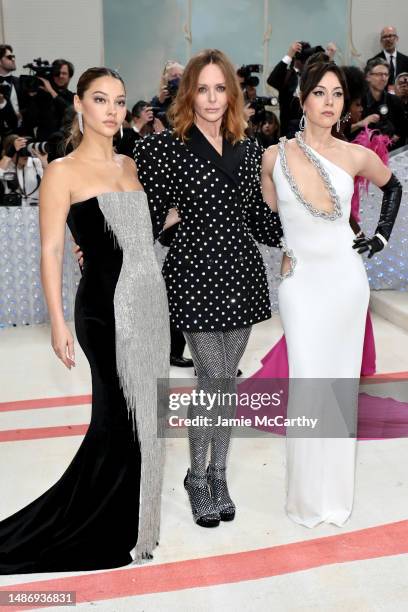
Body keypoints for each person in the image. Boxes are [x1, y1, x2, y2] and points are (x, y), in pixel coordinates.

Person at [0, 67, 170, 573]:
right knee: (119, 420)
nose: (112, 110)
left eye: (119, 101)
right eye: (100, 100)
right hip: (104, 309)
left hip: (149, 307)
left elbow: (140, 238)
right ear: (79, 104)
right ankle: (99, 527)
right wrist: (56, 320)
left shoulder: (131, 164)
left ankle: (133, 523)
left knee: (146, 421)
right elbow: (51, 249)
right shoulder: (62, 171)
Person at [135, 48, 282, 528]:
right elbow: (148, 215)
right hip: (195, 274)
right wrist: (167, 223)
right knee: (213, 380)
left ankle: (217, 474)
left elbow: (260, 219)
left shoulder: (248, 149)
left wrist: (309, 233)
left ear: (232, 94)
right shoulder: (164, 147)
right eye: (203, 88)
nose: (213, 98)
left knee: (225, 382)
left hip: (240, 271)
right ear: (188, 93)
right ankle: (197, 478)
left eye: (221, 88)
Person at [261, 54, 401, 527]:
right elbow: (264, 216)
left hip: (345, 280)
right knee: (307, 384)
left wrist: (378, 237)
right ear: (302, 98)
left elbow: (394, 187)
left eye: (337, 93)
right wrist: (283, 244)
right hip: (300, 285)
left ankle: (334, 498)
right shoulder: (274, 156)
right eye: (319, 92)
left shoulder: (356, 154)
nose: (329, 102)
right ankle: (304, 498)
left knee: (339, 388)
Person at [23, 59, 75, 140]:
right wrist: (32, 97)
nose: (60, 76)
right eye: (57, 73)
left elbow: (69, 112)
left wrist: (51, 91)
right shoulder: (41, 96)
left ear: (69, 77)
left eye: (64, 73)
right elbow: (29, 122)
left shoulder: (72, 97)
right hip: (43, 145)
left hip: (64, 143)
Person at [362, 58, 407, 148]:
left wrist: (395, 136)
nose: (383, 78)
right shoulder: (358, 102)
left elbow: (402, 130)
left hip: (389, 153)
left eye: (386, 74)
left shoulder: (395, 101)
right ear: (367, 77)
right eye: (379, 74)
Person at [0, 134, 47, 205]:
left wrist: (45, 164)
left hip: (36, 210)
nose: (24, 154)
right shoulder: (5, 165)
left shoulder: (35, 162)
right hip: (13, 211)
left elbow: (52, 184)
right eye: (20, 150)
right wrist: (9, 154)